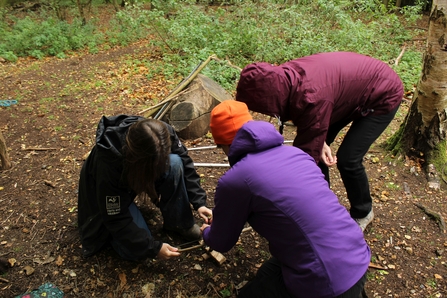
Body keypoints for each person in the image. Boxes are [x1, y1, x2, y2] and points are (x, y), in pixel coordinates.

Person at [201, 100, 371, 298]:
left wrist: (207, 232)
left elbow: (221, 242)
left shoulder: (236, 180)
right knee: (267, 275)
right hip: (356, 253)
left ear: (224, 144)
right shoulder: (296, 153)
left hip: (325, 280)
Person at [235, 51, 404, 231]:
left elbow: (305, 156)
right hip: (344, 94)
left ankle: (362, 212)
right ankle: (321, 203)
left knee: (348, 159)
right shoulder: (285, 80)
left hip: (382, 94)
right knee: (318, 148)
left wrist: (287, 191)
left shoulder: (311, 96)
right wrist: (319, 140)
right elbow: (310, 126)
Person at [78, 115, 212, 261]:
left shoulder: (161, 133)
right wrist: (153, 248)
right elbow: (115, 217)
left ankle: (179, 224)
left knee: (174, 163)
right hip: (109, 199)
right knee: (135, 251)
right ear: (139, 162)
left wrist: (199, 202)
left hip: (131, 177)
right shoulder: (109, 164)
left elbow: (185, 163)